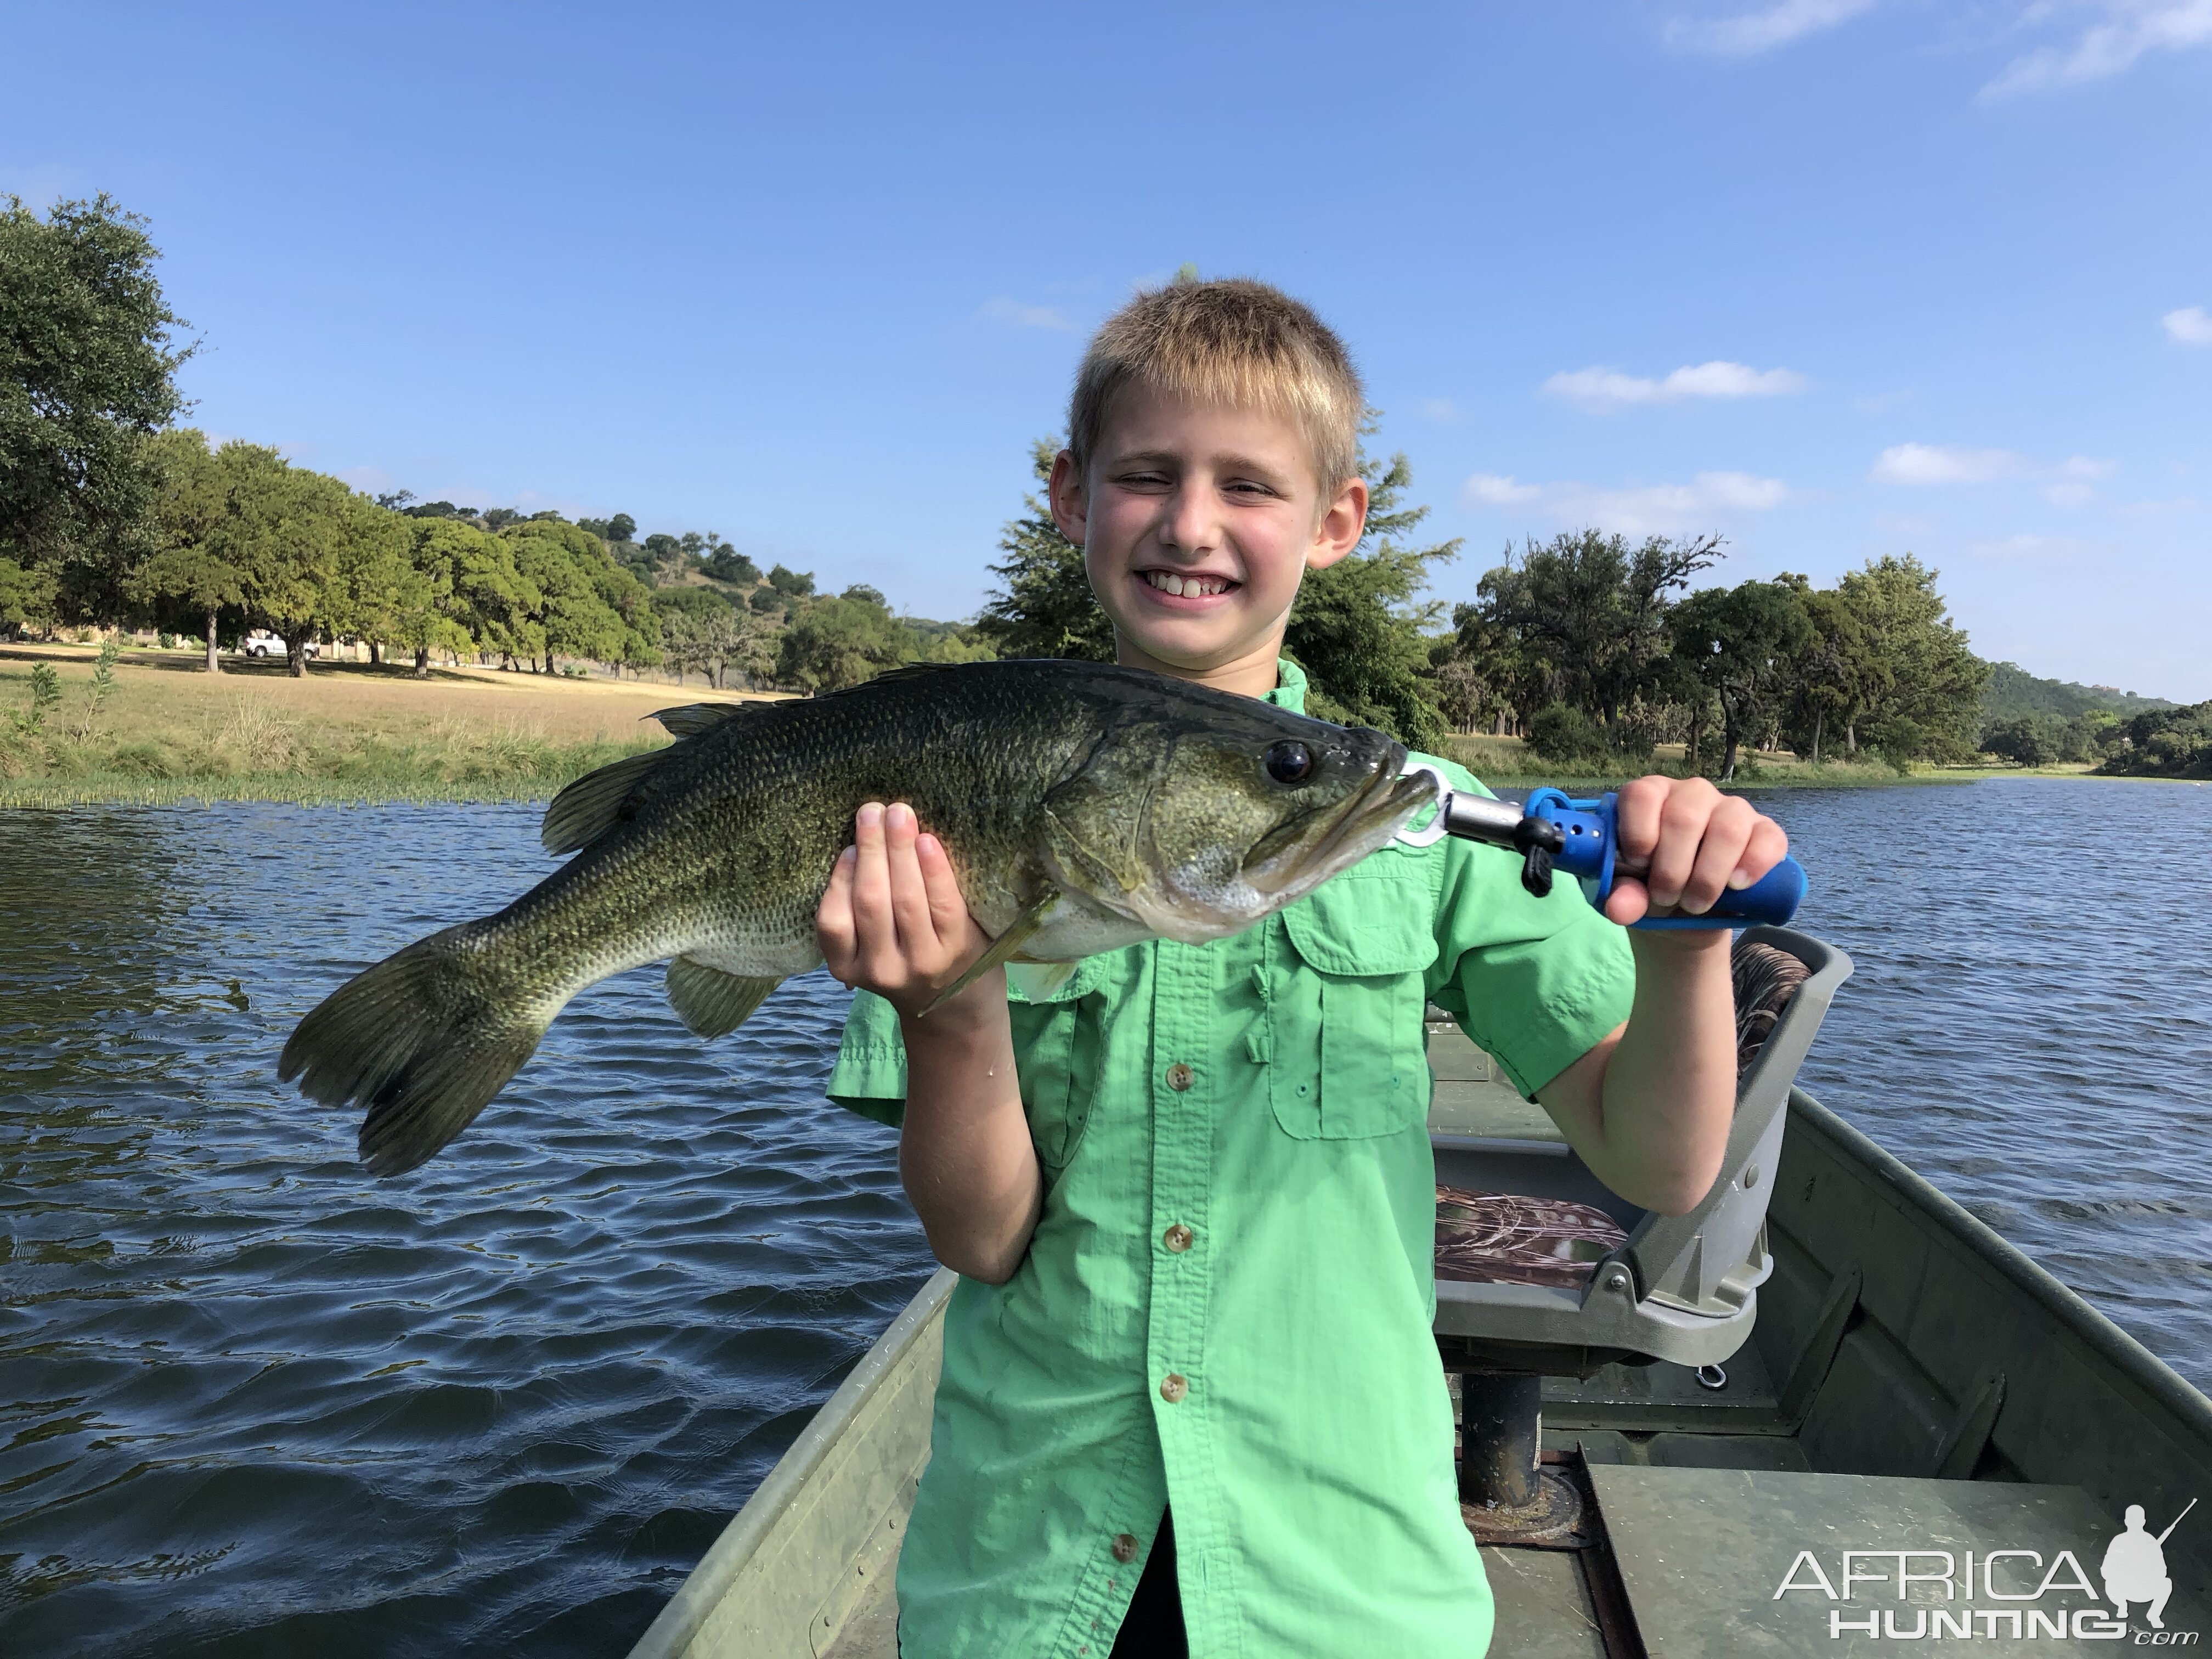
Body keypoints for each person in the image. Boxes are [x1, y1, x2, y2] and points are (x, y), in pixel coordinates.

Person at [815, 278, 1788, 1657]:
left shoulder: (1425, 818)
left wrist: (1688, 940)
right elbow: (980, 1239)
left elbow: (1659, 1165)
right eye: (1146, 475)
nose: (1191, 523)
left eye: (1248, 486)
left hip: (1337, 1580)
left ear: (1337, 523)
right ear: (1069, 496)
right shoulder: (931, 820)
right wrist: (953, 1005)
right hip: (1030, 1574)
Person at [2103, 1504, 2176, 1628]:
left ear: (2143, 1522)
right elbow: (2106, 1569)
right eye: (2132, 1520)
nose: (2134, 1523)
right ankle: (2122, 1606)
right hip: (2123, 1588)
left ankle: (2154, 1615)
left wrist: (2147, 1567)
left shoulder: (2151, 1541)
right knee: (2109, 1583)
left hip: (2145, 1588)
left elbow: (2163, 1571)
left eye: (2137, 1520)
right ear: (2126, 1522)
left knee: (2167, 1583)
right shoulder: (2119, 1540)